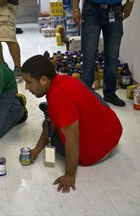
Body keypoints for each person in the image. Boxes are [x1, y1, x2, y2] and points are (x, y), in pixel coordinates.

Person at [21, 55, 123, 193]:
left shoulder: (58, 98)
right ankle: (49, 110)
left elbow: (72, 139)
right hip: (113, 133)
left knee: (49, 125)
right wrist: (36, 150)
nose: (26, 87)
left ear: (44, 80)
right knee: (81, 100)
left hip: (96, 153)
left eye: (29, 82)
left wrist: (69, 174)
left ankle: (48, 111)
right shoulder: (66, 79)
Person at [72, 0, 134, 107]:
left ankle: (110, 93)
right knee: (89, 55)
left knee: (112, 56)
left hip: (115, 10)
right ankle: (87, 95)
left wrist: (130, 2)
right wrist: (75, 8)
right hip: (91, 10)